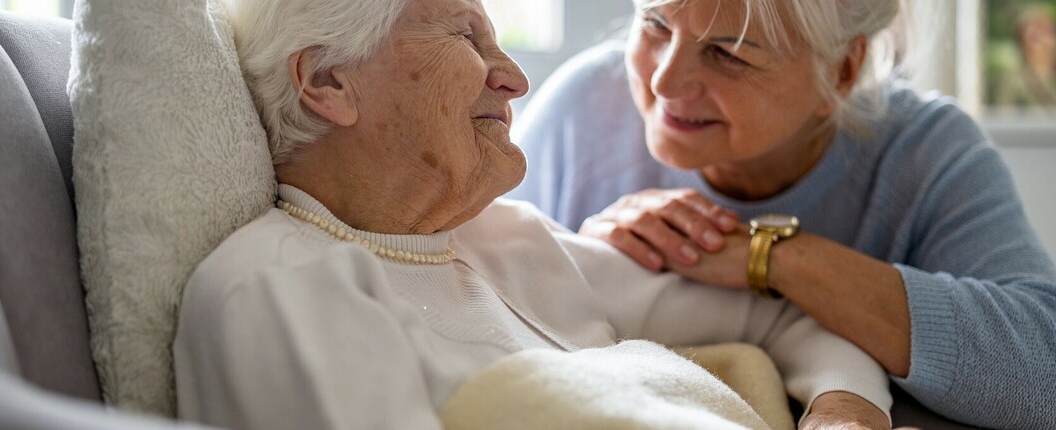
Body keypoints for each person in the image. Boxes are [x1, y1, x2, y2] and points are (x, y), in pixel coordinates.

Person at [171, 0, 896, 429]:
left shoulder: (510, 237)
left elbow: (785, 319)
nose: (514, 79)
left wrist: (843, 412)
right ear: (328, 80)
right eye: (465, 35)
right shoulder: (279, 287)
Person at [508, 0, 1056, 428]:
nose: (664, 82)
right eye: (655, 22)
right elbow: (473, 299)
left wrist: (768, 256)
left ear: (842, 70)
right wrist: (583, 256)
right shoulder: (581, 111)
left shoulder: (926, 153)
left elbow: (1043, 370)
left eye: (728, 53)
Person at [992, 3, 1056, 108]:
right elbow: (1003, 118)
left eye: (1046, 30)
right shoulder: (1012, 80)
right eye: (1034, 34)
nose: (1043, 39)